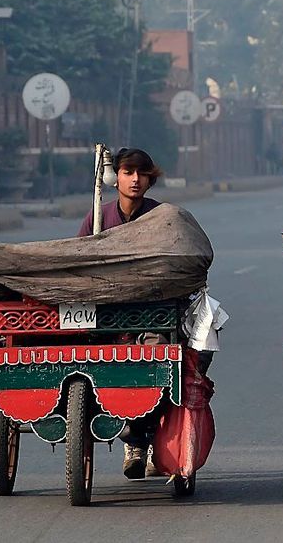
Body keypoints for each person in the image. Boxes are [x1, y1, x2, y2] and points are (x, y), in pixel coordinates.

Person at [77, 148, 167, 479]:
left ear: (150, 179)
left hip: (150, 316)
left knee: (158, 360)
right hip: (105, 317)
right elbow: (78, 263)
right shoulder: (97, 219)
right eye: (128, 172)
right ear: (116, 177)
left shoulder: (162, 217)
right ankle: (132, 437)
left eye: (141, 174)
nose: (135, 180)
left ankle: (144, 438)